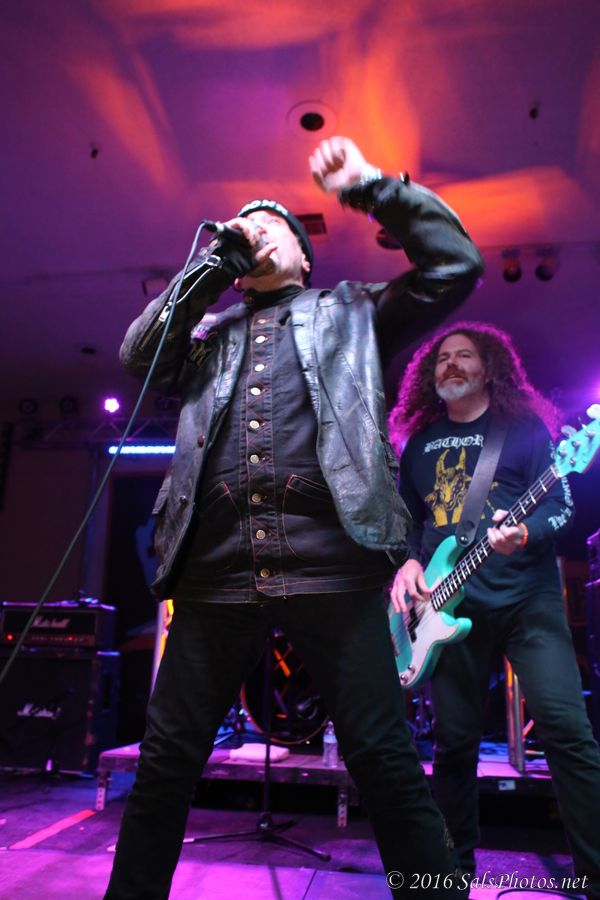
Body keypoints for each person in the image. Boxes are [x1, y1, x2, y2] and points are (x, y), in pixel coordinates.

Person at [104, 136, 483, 899]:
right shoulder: (206, 339)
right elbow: (138, 356)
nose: (253, 229)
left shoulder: (352, 312)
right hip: (214, 576)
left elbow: (455, 266)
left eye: (269, 223)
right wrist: (211, 264)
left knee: (384, 761)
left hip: (334, 567)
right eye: (241, 225)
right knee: (165, 765)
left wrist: (373, 186)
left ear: (305, 258)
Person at [389, 321, 600, 898]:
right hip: (444, 611)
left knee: (567, 732)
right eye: (442, 358)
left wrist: (524, 533)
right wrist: (407, 563)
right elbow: (408, 522)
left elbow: (559, 506)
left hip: (527, 602)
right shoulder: (420, 443)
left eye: (465, 356)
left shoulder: (523, 429)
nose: (451, 365)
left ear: (489, 370)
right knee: (453, 745)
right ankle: (448, 878)